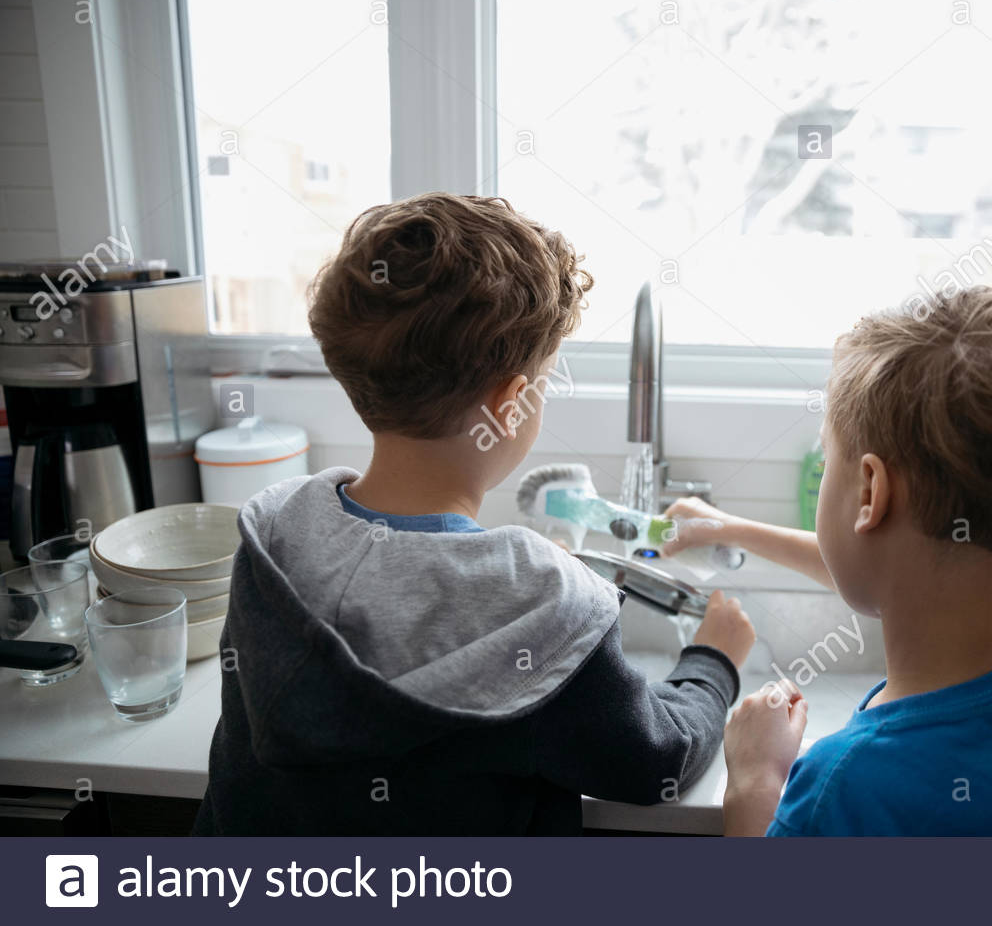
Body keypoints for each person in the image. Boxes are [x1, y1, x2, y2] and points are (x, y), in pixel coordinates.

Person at [194, 193, 754, 834]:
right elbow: (656, 760)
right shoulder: (540, 600)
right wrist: (714, 659)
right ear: (511, 403)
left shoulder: (276, 531)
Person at [663, 287, 992, 836]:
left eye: (827, 453)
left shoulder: (843, 785)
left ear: (870, 490)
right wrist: (734, 530)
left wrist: (755, 781)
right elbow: (896, 565)